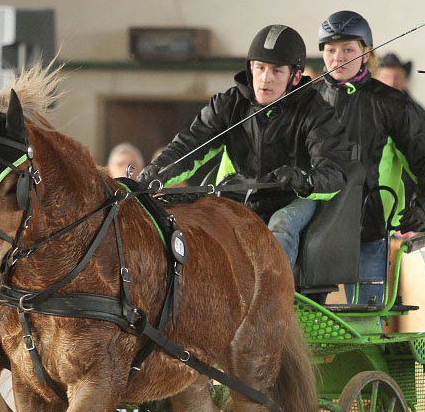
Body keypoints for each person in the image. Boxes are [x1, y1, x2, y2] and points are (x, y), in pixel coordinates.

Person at [137, 24, 351, 269]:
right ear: (251, 68)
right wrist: (154, 174)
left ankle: (275, 300)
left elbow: (334, 173)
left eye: (276, 71)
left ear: (294, 77)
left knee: (282, 224)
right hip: (237, 194)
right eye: (260, 68)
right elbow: (189, 146)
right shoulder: (227, 104)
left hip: (293, 198)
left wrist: (302, 180)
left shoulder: (316, 112)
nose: (265, 78)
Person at [314, 10, 425, 304]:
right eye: (330, 50)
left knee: (366, 322)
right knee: (304, 330)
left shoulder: (392, 104)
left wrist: (424, 208)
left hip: (369, 231)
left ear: (366, 54)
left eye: (348, 49)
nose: (338, 58)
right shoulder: (307, 102)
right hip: (313, 232)